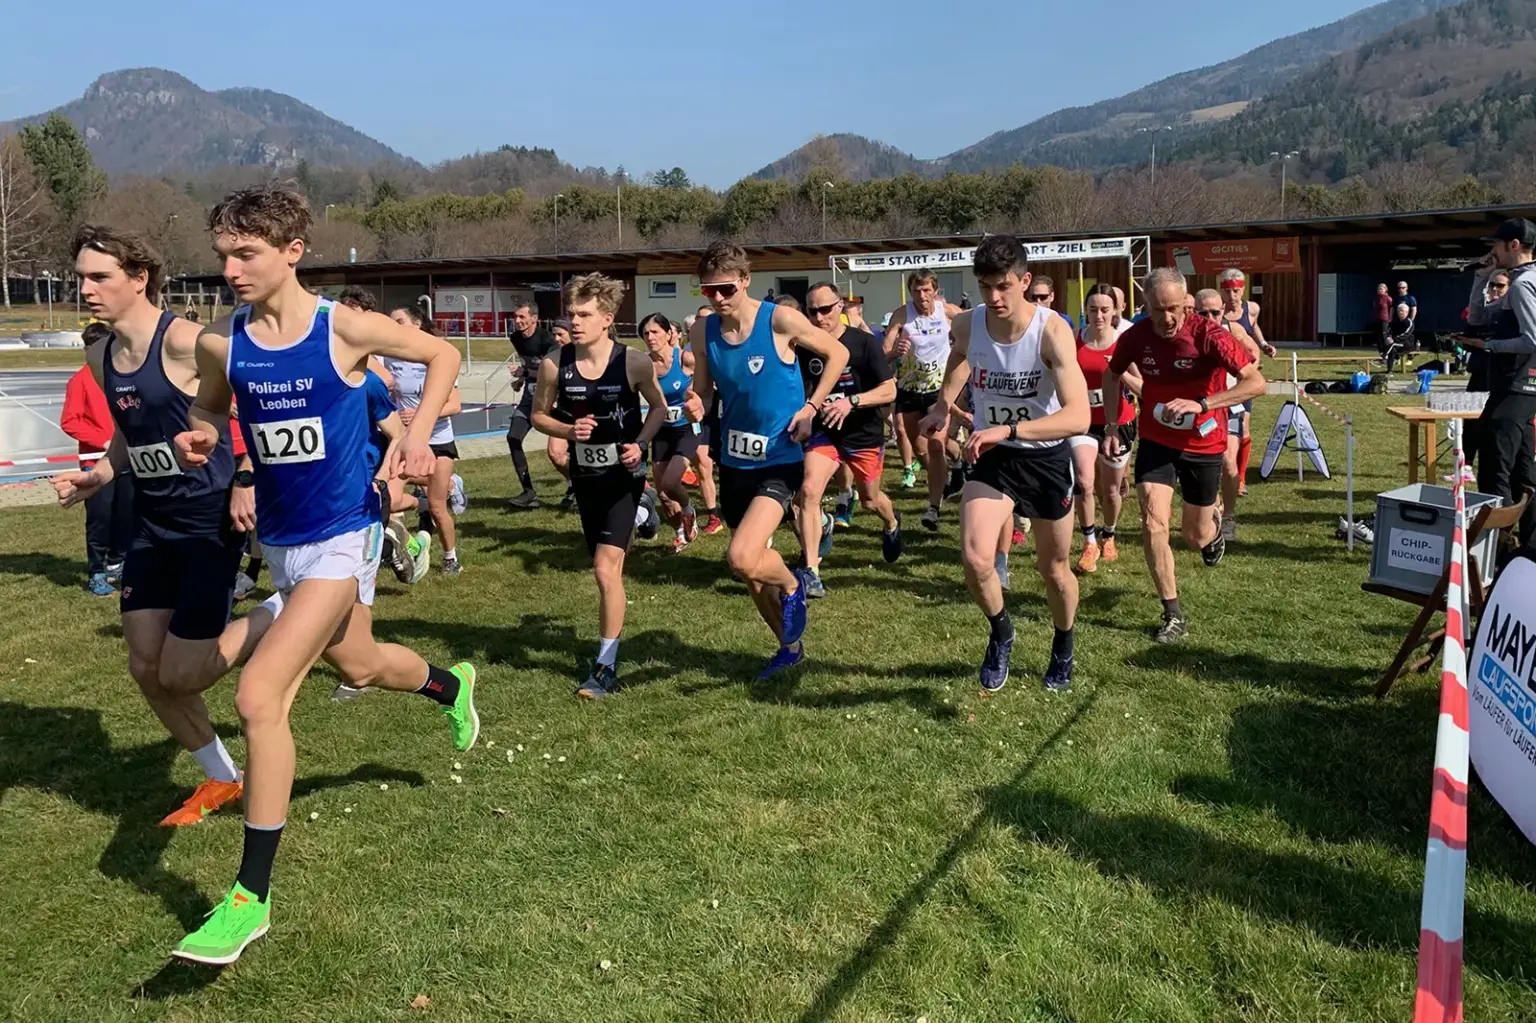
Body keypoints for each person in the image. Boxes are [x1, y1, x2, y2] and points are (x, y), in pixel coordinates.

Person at [167, 183, 479, 964]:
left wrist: (412, 437)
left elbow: (441, 355)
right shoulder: (226, 341)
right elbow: (210, 409)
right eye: (224, 256)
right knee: (362, 663)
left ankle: (248, 899)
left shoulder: (341, 329)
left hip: (345, 537)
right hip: (282, 542)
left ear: (292, 251)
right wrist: (203, 440)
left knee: (257, 694)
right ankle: (450, 684)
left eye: (247, 253)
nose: (232, 269)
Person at [53, 224, 280, 829]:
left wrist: (247, 477)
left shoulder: (188, 342)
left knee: (184, 672)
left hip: (208, 521)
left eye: (99, 276)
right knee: (145, 669)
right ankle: (222, 777)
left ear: (139, 278)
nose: (86, 288)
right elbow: (131, 433)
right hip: (153, 525)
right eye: (81, 277)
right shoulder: (100, 354)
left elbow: (257, 404)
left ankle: (276, 613)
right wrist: (99, 477)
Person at [919, 235, 1090, 693]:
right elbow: (958, 357)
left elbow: (1079, 416)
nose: (993, 297)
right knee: (976, 558)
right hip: (994, 457)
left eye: (1004, 286)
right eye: (985, 287)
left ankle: (1063, 642)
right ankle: (1001, 632)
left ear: (1025, 281)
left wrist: (1010, 430)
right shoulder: (969, 326)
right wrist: (942, 403)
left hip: (1045, 457)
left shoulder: (1051, 332)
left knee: (1053, 569)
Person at [682, 241, 848, 679]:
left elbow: (839, 353)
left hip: (779, 457)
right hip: (735, 462)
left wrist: (812, 408)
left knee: (740, 556)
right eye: (707, 291)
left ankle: (795, 583)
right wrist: (696, 403)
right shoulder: (703, 333)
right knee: (753, 575)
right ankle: (789, 647)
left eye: (724, 289)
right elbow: (703, 388)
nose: (717, 299)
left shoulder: (779, 320)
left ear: (745, 281)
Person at [1102, 269, 1266, 644]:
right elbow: (1111, 376)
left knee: (1193, 536)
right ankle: (1172, 612)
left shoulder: (1209, 336)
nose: (1168, 318)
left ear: (1186, 302)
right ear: (1145, 306)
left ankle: (1211, 533)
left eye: (1175, 308)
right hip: (1157, 441)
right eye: (1158, 310)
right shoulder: (1136, 337)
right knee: (1152, 522)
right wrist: (1112, 426)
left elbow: (1256, 382)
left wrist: (1203, 404)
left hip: (1204, 443)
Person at [532, 275, 667, 697]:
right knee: (603, 566)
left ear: (607, 319)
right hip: (586, 479)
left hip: (623, 476)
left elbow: (659, 409)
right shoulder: (556, 363)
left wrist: (641, 445)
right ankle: (646, 511)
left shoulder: (633, 362)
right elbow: (539, 416)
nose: (575, 321)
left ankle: (605, 668)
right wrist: (569, 431)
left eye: (584, 315)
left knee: (606, 570)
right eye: (571, 314)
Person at [796, 282, 902, 596]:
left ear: (841, 306)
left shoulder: (865, 344)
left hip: (864, 433)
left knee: (870, 500)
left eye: (825, 309)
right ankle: (812, 570)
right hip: (824, 432)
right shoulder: (804, 345)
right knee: (809, 491)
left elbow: (889, 390)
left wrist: (850, 402)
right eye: (811, 310)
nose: (818, 317)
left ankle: (891, 523)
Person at [1461, 218, 1536, 552]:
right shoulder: (1520, 281)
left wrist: (1489, 347)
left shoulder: (1521, 285)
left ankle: (1501, 546)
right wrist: (1480, 279)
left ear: (1514, 246)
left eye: (1496, 244)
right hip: (1520, 386)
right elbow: (1478, 318)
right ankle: (1528, 545)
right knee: (1524, 469)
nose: (1491, 250)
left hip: (1516, 384)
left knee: (1495, 466)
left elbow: (1532, 338)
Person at [383, 303, 465, 575]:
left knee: (440, 508)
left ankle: (451, 558)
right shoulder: (389, 358)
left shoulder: (436, 355)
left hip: (439, 439)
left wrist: (420, 414)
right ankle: (422, 506)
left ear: (417, 324)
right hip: (406, 440)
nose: (393, 327)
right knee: (390, 499)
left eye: (399, 321)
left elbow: (455, 405)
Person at [1068, 285, 1141, 574]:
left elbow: (1143, 387)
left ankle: (1108, 532)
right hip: (1083, 422)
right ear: (1085, 310)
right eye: (1093, 309)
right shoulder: (1074, 342)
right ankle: (1089, 542)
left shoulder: (1124, 344)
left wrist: (1120, 371)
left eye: (1104, 309)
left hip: (1119, 422)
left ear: (1115, 312)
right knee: (1085, 482)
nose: (1098, 315)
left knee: (1110, 491)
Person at [885, 270, 962, 526]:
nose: (922, 296)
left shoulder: (947, 310)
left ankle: (933, 507)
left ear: (935, 290)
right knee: (919, 447)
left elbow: (975, 328)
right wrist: (896, 350)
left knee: (936, 446)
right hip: (909, 389)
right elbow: (884, 352)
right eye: (917, 291)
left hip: (938, 390)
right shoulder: (901, 315)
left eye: (927, 290)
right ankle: (955, 467)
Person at [62, 322, 134, 595]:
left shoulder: (122, 375)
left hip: (127, 460)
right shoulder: (80, 380)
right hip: (95, 461)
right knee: (100, 517)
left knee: (126, 513)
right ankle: (96, 570)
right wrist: (100, 440)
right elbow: (70, 422)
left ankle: (118, 562)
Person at [640, 312, 721, 551]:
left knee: (672, 481)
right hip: (662, 430)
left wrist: (699, 401)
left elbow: (710, 381)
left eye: (655, 332)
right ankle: (681, 532)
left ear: (668, 333)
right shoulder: (644, 365)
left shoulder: (685, 359)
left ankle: (688, 510)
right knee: (663, 492)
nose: (650, 337)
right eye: (645, 333)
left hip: (688, 427)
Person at [1197, 289, 1264, 544]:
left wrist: (1243, 375)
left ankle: (1229, 518)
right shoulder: (1190, 331)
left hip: (1228, 404)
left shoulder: (1233, 330)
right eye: (1204, 313)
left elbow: (1254, 352)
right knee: (1207, 463)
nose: (1210, 317)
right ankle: (1213, 507)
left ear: (1223, 311)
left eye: (1215, 312)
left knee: (1227, 462)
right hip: (1201, 407)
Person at [1217, 269, 1275, 499]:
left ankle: (1240, 478)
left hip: (1241, 377)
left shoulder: (1251, 309)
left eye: (1236, 291)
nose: (1231, 296)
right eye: (1227, 291)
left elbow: (1254, 327)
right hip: (1218, 378)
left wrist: (1263, 345)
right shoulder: (1214, 311)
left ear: (1243, 289)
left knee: (1243, 427)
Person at [506, 301, 558, 509]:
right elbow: (527, 364)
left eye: (522, 317)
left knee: (559, 452)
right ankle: (529, 493)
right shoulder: (516, 338)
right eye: (515, 317)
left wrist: (526, 373)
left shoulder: (548, 341)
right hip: (529, 399)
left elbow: (552, 372)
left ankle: (574, 487)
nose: (517, 321)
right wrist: (521, 379)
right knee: (513, 437)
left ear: (534, 319)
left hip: (552, 398)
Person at [1375, 283, 1393, 348]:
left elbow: (1391, 308)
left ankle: (1387, 349)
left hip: (1385, 319)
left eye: (1381, 289)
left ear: (1385, 290)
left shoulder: (1388, 298)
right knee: (1379, 335)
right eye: (1379, 289)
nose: (1380, 291)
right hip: (1378, 318)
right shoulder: (1377, 298)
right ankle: (1381, 350)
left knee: (1384, 335)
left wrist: (1390, 318)